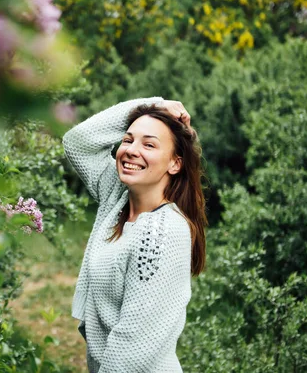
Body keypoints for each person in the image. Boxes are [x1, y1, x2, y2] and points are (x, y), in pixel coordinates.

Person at [62, 97, 207, 372]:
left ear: (175, 164)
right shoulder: (117, 198)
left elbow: (132, 345)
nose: (131, 150)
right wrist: (156, 104)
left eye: (149, 144)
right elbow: (77, 142)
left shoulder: (163, 231)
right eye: (127, 140)